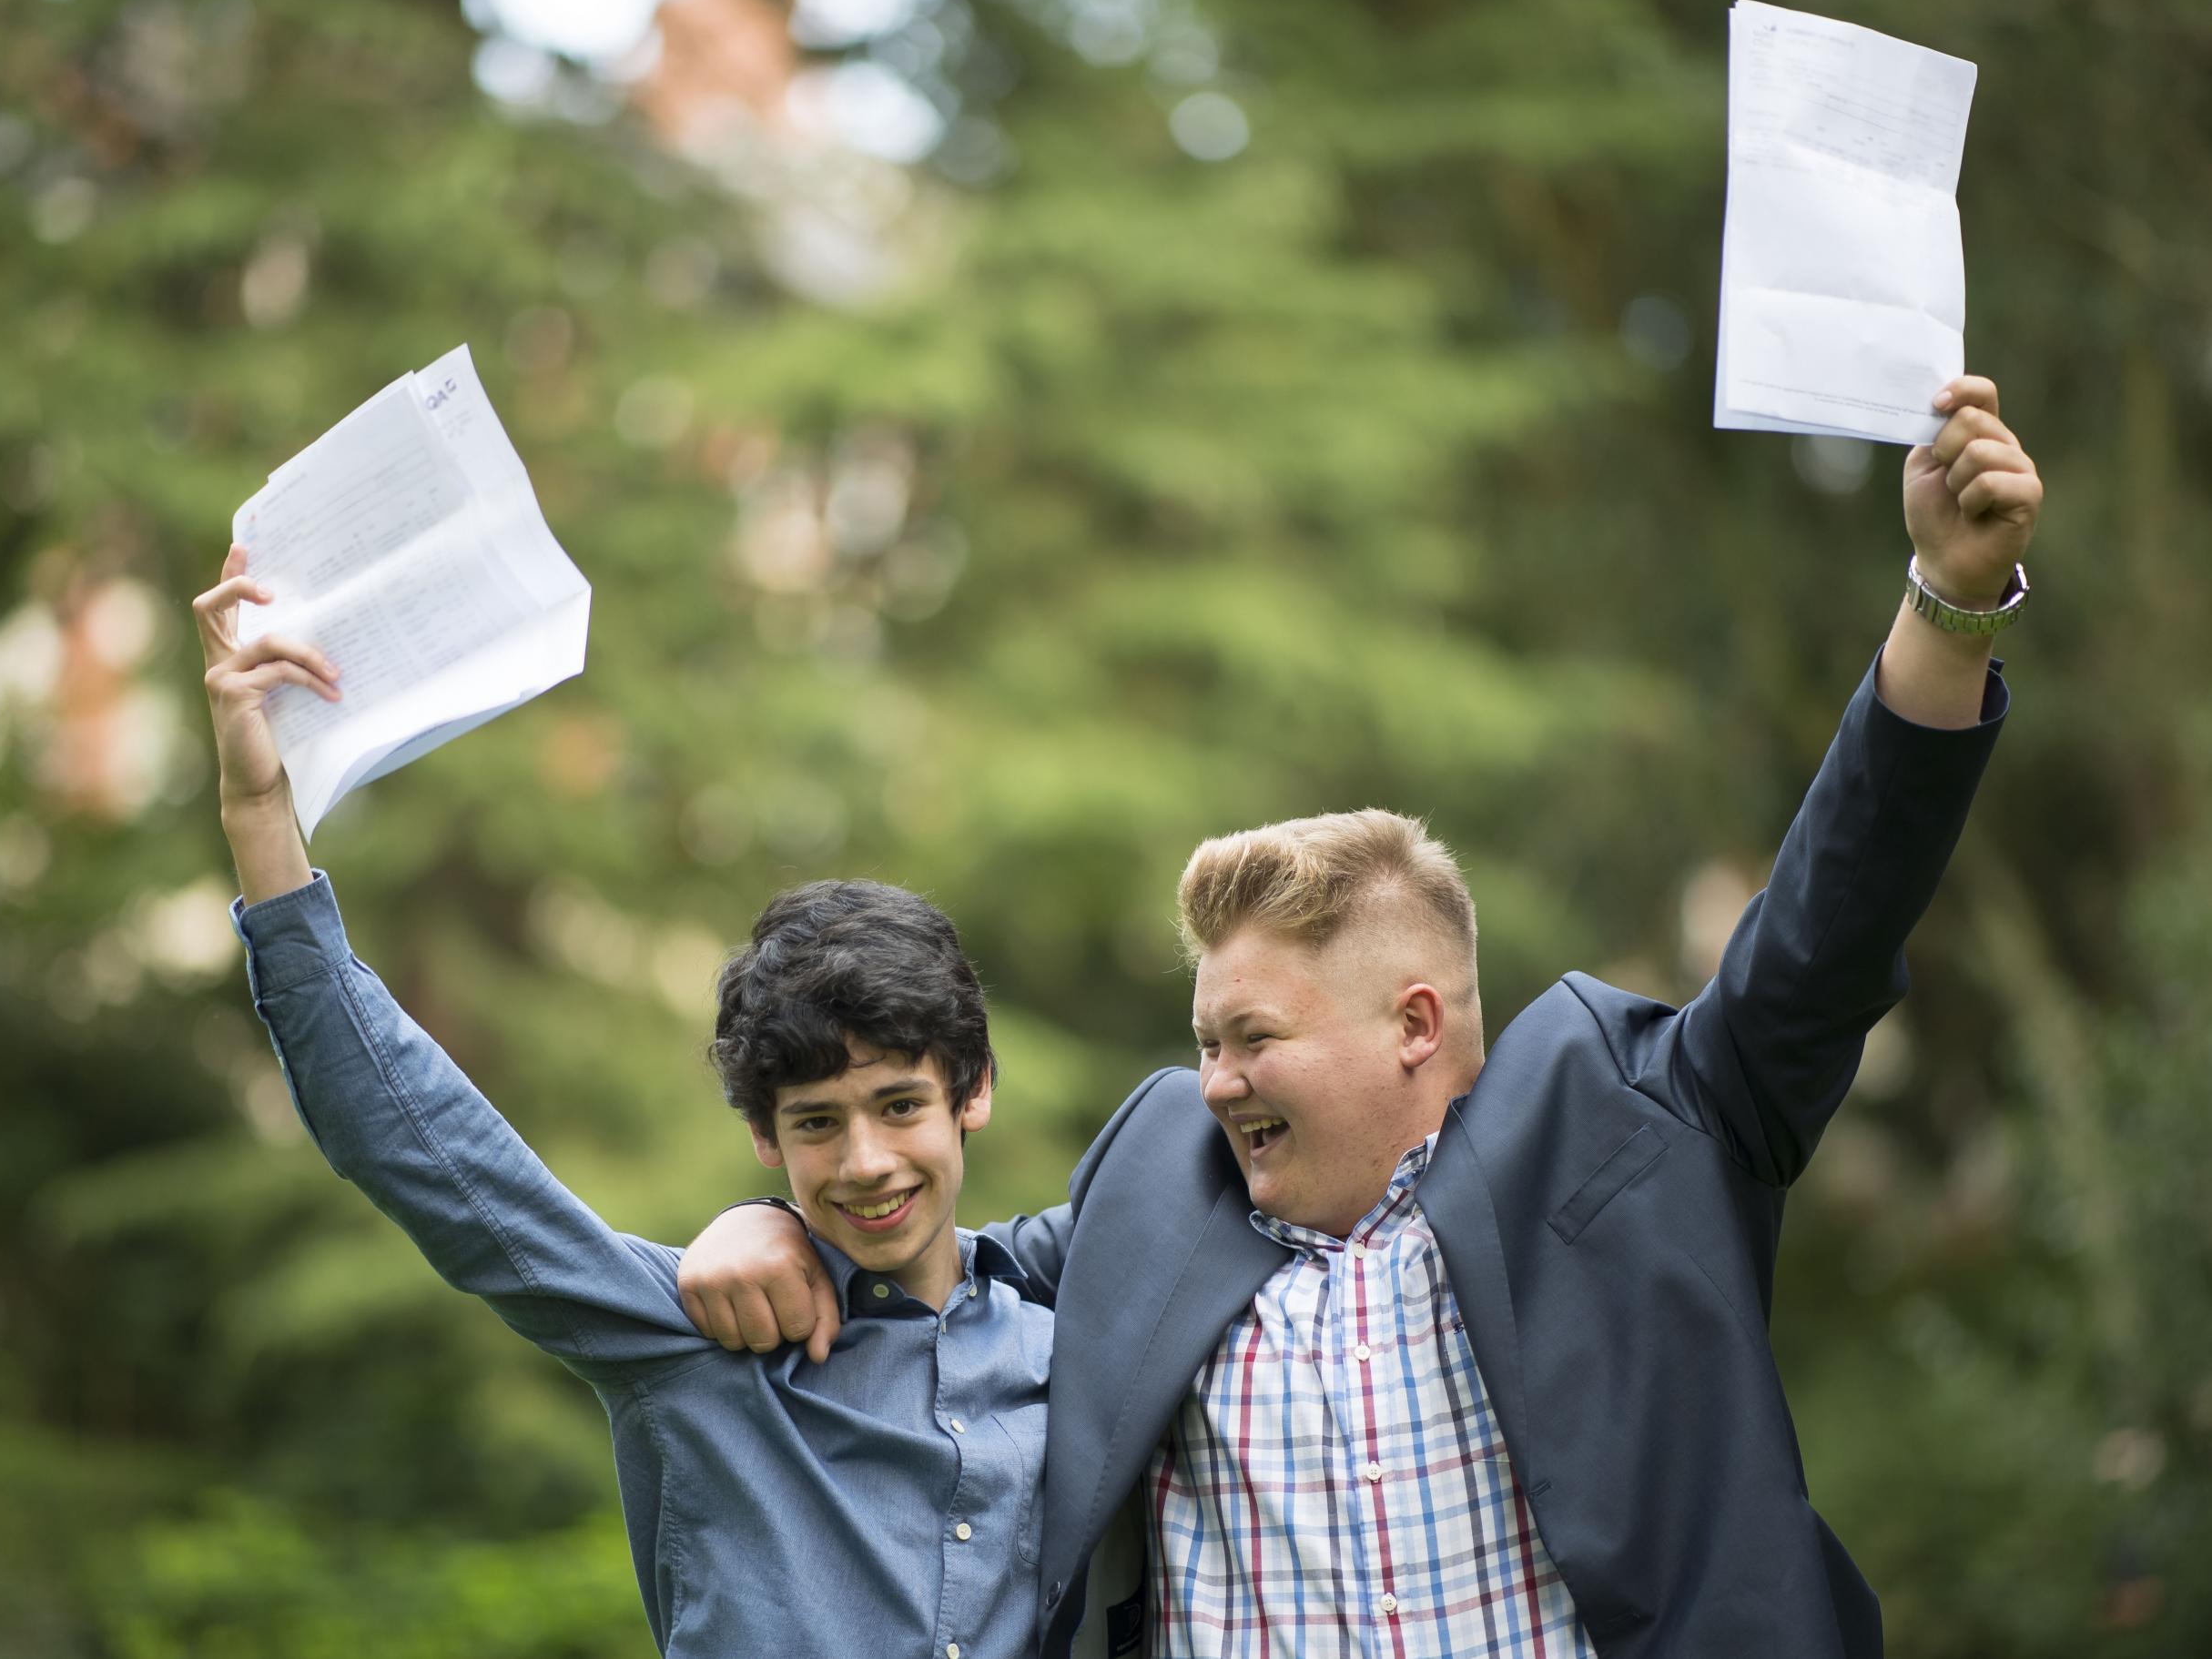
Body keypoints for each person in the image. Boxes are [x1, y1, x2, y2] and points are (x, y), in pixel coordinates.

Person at [675, 376, 2044, 1656]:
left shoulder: (1639, 1121)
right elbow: (926, 1251)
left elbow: (1829, 922)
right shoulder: (1153, 1189)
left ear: (1413, 1021)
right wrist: (762, 1225)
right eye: (1206, 1042)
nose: (1214, 1081)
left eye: (1252, 1039)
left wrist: (1950, 601)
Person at [197, 539, 1051, 1658]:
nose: (866, 1162)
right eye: (815, 1123)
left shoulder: (1074, 1342)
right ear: (761, 1135)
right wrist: (260, 812)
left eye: (898, 1106)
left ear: (971, 1094)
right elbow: (424, 1152)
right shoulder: (695, 1340)